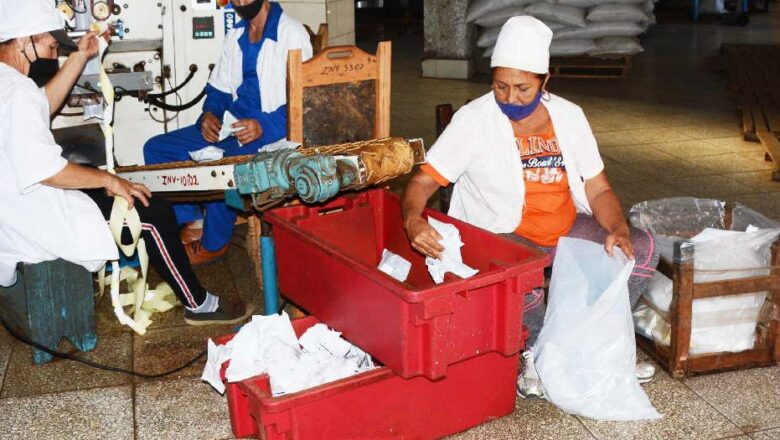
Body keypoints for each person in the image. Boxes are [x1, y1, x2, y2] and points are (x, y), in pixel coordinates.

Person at [400, 16, 660, 399]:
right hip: (502, 231)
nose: (510, 98)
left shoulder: (569, 117)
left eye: (522, 88)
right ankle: (538, 352)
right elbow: (422, 182)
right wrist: (412, 220)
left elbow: (597, 187)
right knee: (524, 276)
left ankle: (596, 341)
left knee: (640, 250)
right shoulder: (474, 120)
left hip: (564, 227)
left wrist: (618, 228)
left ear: (545, 81)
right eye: (500, 86)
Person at [0, 0, 252, 326]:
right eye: (50, 44)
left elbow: (40, 106)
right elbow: (46, 170)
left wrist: (80, 56)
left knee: (135, 196)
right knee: (150, 210)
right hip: (35, 215)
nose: (53, 54)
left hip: (23, 204)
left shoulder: (9, 85)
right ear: (24, 40)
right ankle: (198, 304)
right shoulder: (16, 93)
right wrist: (109, 180)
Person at [143, 0, 313, 265]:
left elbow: (304, 101)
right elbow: (219, 89)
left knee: (223, 166)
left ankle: (215, 243)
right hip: (232, 125)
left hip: (272, 133)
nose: (242, 2)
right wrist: (209, 114)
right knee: (156, 149)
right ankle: (193, 220)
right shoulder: (236, 34)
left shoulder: (291, 34)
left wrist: (262, 127)